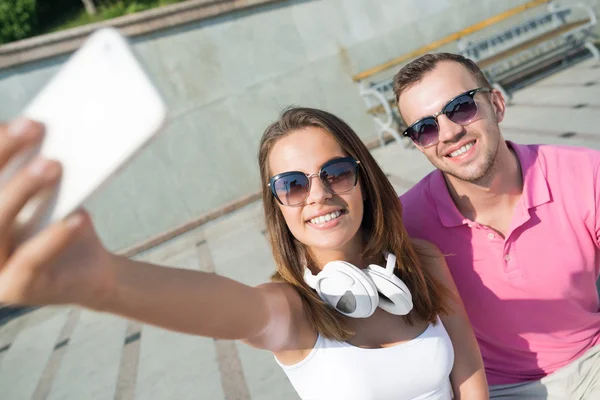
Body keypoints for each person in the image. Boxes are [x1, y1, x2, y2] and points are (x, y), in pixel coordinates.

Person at [0, 108, 487, 399]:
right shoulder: (292, 309)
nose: (318, 195)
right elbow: (229, 308)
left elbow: (467, 369)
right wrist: (103, 281)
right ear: (277, 203)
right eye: (293, 184)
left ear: (364, 179)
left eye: (336, 172)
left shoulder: (421, 262)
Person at [394, 52, 600, 399]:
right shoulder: (406, 223)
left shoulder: (585, 174)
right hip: (494, 388)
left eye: (460, 107)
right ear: (418, 144)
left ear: (497, 105)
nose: (448, 133)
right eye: (425, 128)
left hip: (591, 360)